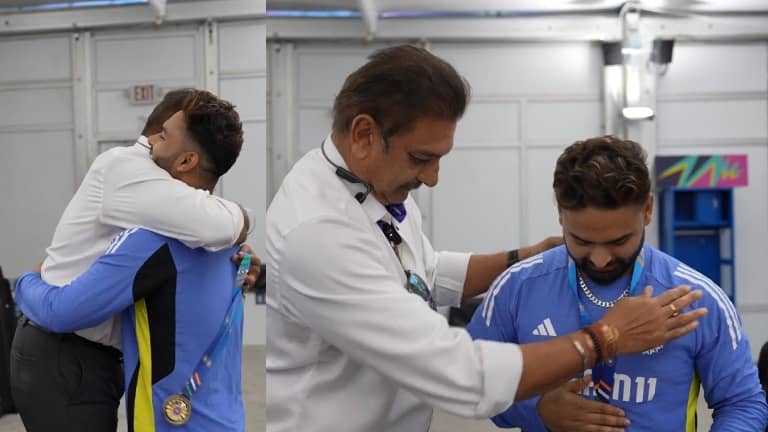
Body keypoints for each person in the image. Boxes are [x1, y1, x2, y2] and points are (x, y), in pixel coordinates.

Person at [265, 44, 707, 431]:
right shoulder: (318, 233)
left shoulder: (375, 186)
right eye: (421, 158)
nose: (432, 178)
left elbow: (422, 273)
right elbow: (464, 375)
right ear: (364, 134)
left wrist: (522, 258)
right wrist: (605, 337)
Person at [467, 136, 768, 431]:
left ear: (647, 210)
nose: (600, 260)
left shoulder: (697, 299)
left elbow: (743, 404)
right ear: (560, 213)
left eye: (619, 241)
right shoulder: (517, 288)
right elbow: (473, 386)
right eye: (581, 241)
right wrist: (537, 411)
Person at [10, 89, 259, 432]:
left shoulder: (183, 232)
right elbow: (62, 312)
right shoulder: (126, 171)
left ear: (186, 161)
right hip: (60, 348)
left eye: (163, 135)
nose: (150, 141)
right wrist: (245, 221)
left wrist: (25, 282)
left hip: (90, 350)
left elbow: (216, 224)